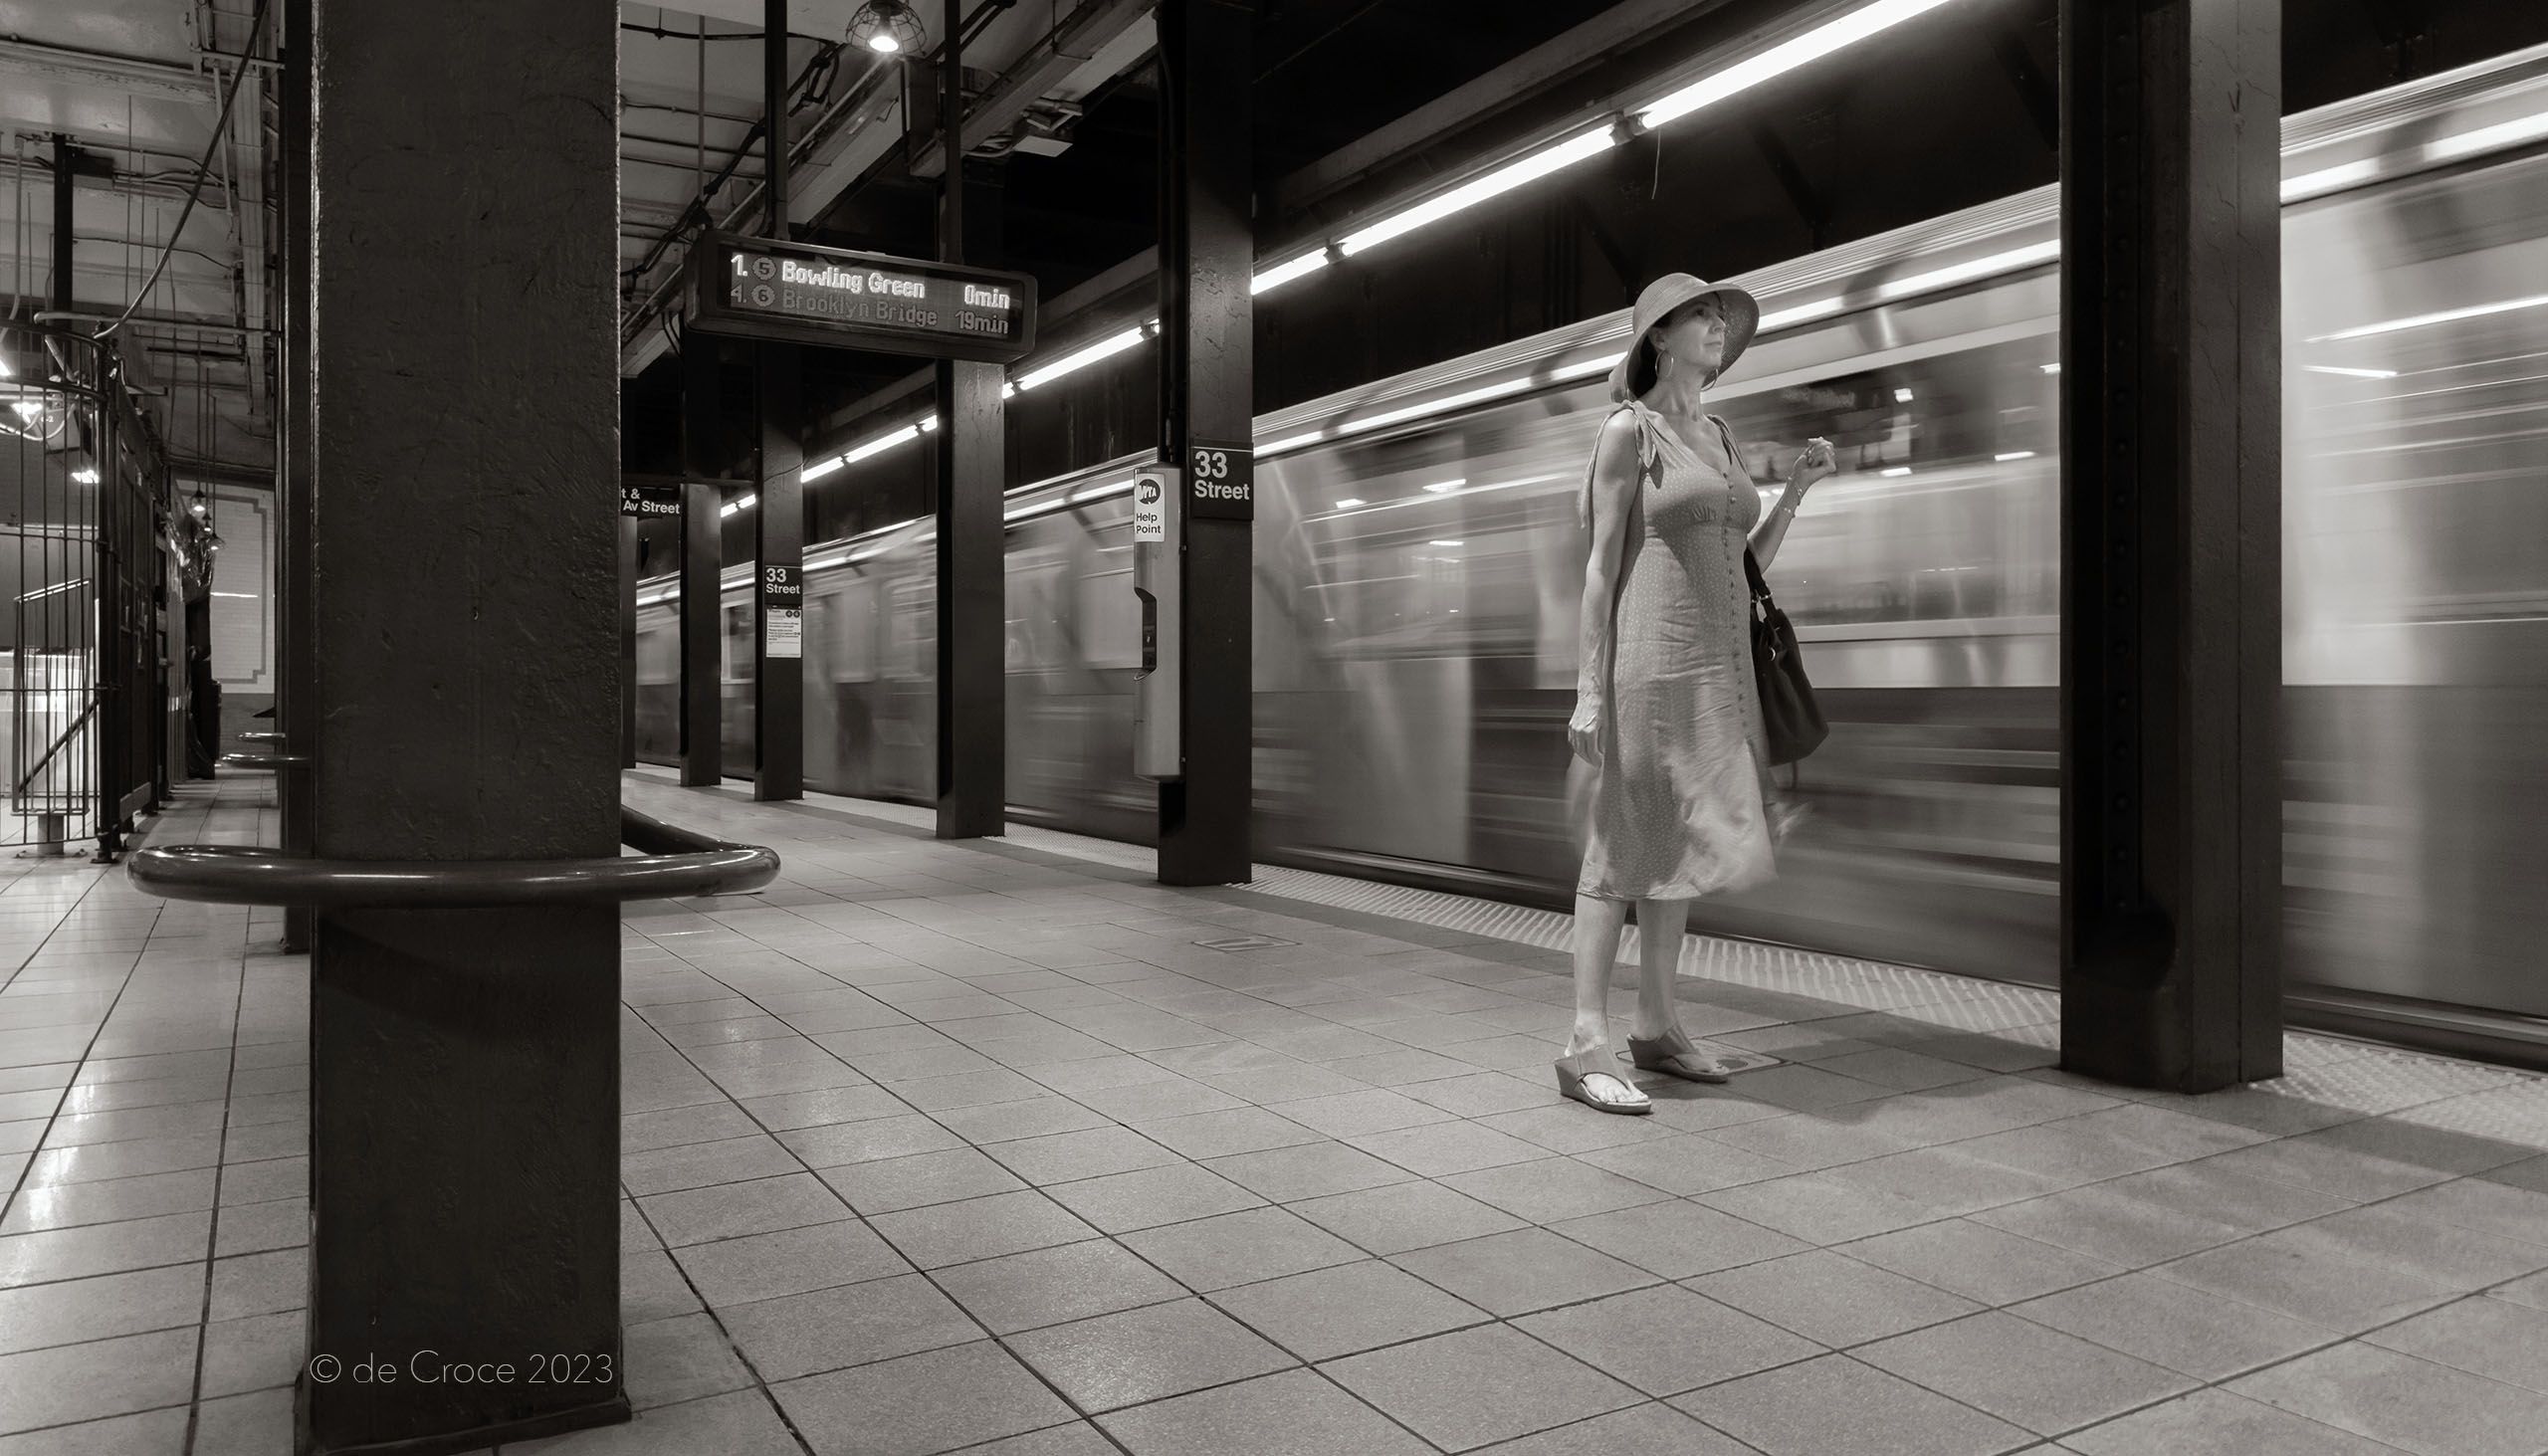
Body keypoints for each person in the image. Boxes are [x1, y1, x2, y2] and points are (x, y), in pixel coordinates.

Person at [1556, 274, 1837, 1115]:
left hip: (1717, 671)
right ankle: (1584, 1042)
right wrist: (1588, 690)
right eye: (1702, 316)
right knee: (1621, 846)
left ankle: (1656, 1024)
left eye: (1721, 317)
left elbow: (1744, 560)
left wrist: (1795, 490)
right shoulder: (1627, 431)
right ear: (1659, 337)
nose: (1718, 326)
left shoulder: (1718, 433)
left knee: (1675, 848)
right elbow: (1600, 567)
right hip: (1647, 666)